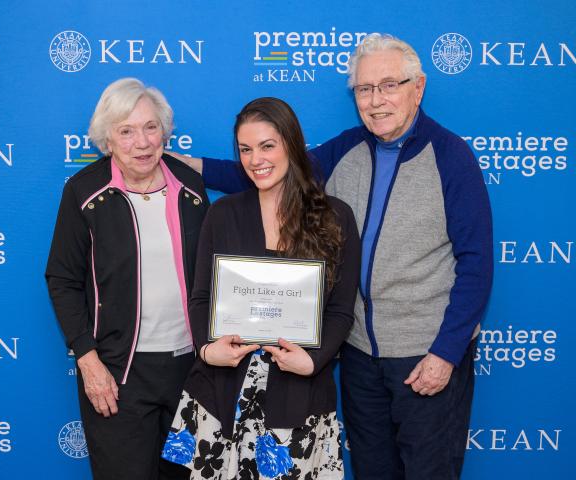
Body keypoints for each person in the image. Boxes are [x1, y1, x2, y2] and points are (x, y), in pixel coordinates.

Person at [169, 33, 493, 480]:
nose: (376, 100)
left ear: (418, 88)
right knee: (374, 470)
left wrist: (446, 352)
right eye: (364, 89)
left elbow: (476, 263)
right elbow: (270, 168)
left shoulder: (452, 158)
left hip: (424, 355)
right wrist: (176, 162)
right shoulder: (347, 149)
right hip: (359, 356)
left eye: (389, 85)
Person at [161, 97, 360, 479]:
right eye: (246, 149)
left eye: (267, 146)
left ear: (292, 145)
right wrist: (206, 348)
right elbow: (201, 296)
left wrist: (313, 360)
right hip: (221, 395)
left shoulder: (335, 217)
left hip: (298, 396)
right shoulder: (223, 214)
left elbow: (339, 310)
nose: (256, 160)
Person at [45, 78, 209, 480]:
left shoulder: (190, 188)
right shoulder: (85, 193)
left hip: (190, 370)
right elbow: (62, 278)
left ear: (165, 132)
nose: (142, 141)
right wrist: (88, 360)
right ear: (108, 140)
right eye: (126, 130)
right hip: (118, 373)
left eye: (151, 127)